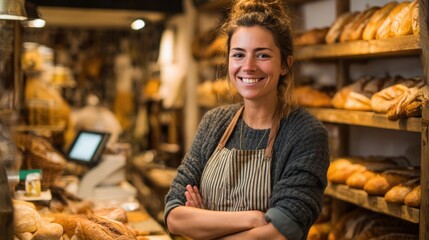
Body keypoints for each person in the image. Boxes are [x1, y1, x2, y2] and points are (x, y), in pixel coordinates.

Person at [164, 0, 330, 239]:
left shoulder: (306, 134)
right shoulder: (214, 123)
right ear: (229, 61)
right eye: (238, 55)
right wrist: (252, 218)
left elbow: (282, 231)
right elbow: (174, 216)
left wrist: (205, 226)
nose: (248, 66)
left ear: (285, 64)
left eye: (262, 55)